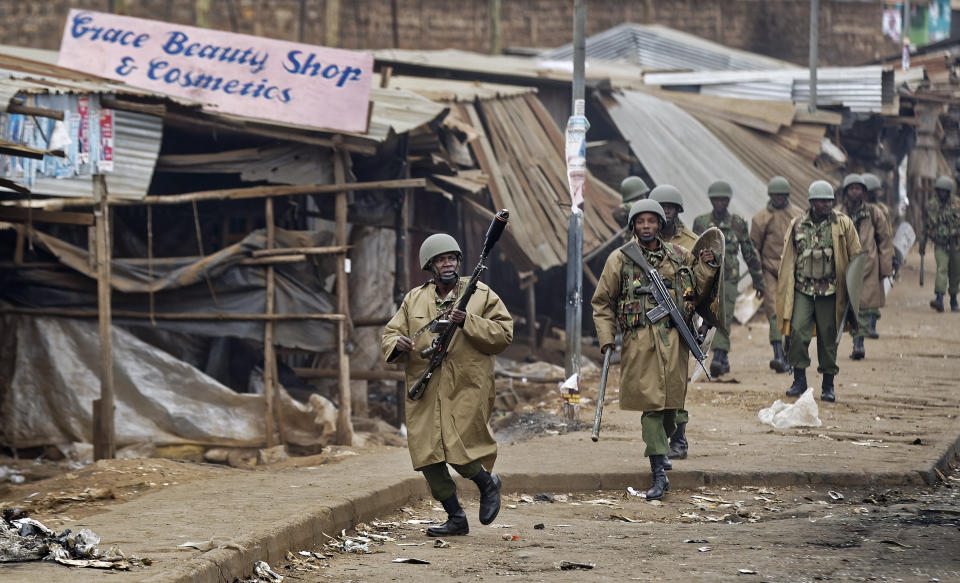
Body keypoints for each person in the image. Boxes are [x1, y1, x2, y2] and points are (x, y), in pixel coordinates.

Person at [381, 234, 513, 536]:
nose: (448, 263)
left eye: (452, 257)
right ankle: (455, 517)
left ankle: (486, 483)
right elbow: (390, 334)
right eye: (441, 259)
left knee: (457, 446)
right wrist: (397, 343)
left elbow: (504, 334)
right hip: (424, 385)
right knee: (426, 454)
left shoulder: (480, 294)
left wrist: (468, 321)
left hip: (466, 384)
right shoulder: (414, 299)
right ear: (430, 265)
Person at [592, 199, 719, 500]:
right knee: (651, 406)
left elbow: (698, 291)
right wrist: (607, 338)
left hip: (675, 340)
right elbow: (602, 302)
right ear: (633, 225)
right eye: (640, 221)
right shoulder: (620, 259)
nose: (646, 226)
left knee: (672, 406)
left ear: (660, 225)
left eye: (651, 221)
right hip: (640, 343)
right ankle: (658, 472)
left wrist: (708, 264)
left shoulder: (679, 256)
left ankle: (661, 450)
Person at [776, 180, 862, 403]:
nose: (826, 205)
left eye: (829, 201)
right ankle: (799, 381)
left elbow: (856, 257)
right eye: (822, 201)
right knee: (797, 332)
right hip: (803, 290)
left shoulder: (842, 224)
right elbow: (787, 257)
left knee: (828, 337)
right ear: (812, 202)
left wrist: (853, 292)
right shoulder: (797, 224)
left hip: (831, 291)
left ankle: (828, 385)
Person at [693, 180, 764, 377]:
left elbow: (749, 252)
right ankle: (719, 356)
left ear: (729, 201)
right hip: (707, 278)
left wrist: (758, 281)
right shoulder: (701, 223)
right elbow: (694, 251)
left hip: (730, 277)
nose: (720, 203)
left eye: (724, 200)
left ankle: (719, 355)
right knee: (708, 316)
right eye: (716, 200)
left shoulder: (738, 223)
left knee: (724, 314)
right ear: (711, 201)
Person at [649, 185, 697, 461]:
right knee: (653, 383)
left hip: (680, 323)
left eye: (671, 207)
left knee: (676, 383)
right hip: (647, 322)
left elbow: (704, 286)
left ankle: (678, 438)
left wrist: (704, 325)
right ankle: (657, 440)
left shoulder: (692, 242)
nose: (666, 211)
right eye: (661, 207)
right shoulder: (640, 240)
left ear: (678, 210)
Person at [750, 176, 803, 373]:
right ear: (770, 196)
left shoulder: (798, 215)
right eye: (775, 195)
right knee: (773, 312)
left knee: (792, 312)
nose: (779, 198)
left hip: (792, 270)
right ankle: (777, 355)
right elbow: (753, 247)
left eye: (782, 195)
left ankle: (789, 354)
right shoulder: (761, 218)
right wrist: (758, 275)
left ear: (787, 195)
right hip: (769, 270)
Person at [837, 174, 893, 356]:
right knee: (848, 307)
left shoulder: (874, 212)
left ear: (863, 191)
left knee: (861, 307)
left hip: (868, 265)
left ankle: (858, 344)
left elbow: (884, 239)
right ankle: (854, 340)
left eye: (858, 189)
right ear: (846, 192)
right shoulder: (837, 213)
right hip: (844, 266)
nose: (855, 192)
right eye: (852, 188)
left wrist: (885, 267)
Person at [923, 175, 960, 312]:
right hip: (941, 245)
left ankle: (954, 299)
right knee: (941, 269)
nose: (942, 193)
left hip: (956, 244)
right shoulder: (932, 205)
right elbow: (926, 225)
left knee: (956, 273)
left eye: (945, 191)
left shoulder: (957, 204)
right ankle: (939, 298)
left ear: (949, 191)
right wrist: (922, 243)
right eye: (940, 191)